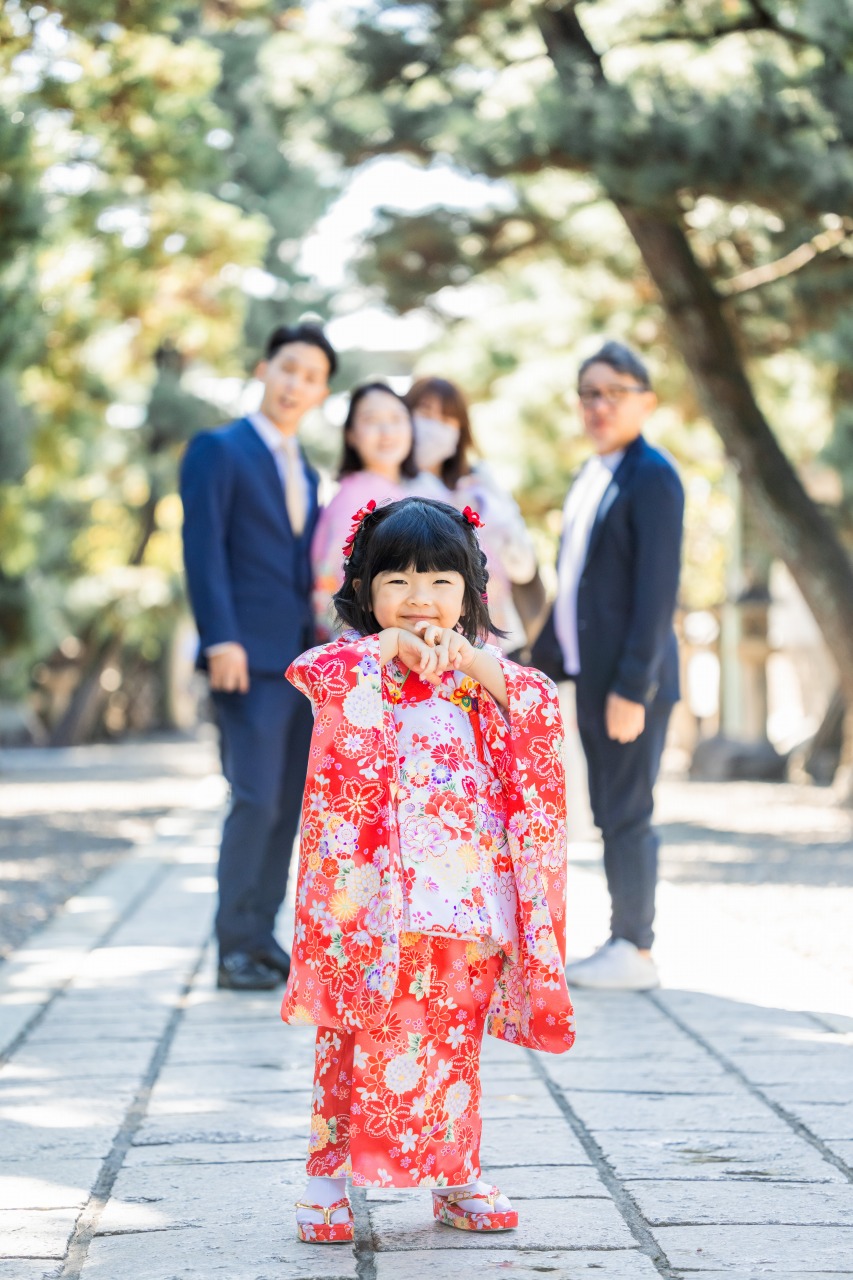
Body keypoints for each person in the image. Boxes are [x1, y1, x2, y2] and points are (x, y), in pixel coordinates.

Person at [282, 496, 574, 1243]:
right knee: (355, 1026)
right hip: (375, 898)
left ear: (472, 593)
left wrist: (470, 658)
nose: (419, 598)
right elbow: (314, 674)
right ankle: (327, 1178)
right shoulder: (353, 665)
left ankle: (455, 1173)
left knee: (452, 1031)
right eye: (398, 581)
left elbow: (537, 711)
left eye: (442, 580)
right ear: (364, 591)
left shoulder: (478, 674)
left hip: (464, 893)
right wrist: (385, 653)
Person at [180, 322, 336, 991]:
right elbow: (204, 549)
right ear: (263, 369)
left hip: (299, 662)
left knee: (285, 802)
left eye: (311, 377)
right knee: (252, 799)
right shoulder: (218, 449)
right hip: (244, 655)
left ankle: (261, 934)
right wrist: (220, 638)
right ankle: (233, 945)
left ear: (321, 392)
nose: (296, 384)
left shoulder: (304, 466)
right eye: (288, 369)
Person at [532, 341, 684, 992]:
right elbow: (573, 589)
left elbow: (656, 592)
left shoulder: (652, 476)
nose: (599, 405)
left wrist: (632, 686)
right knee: (604, 807)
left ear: (644, 401)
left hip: (629, 682)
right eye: (588, 393)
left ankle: (634, 947)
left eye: (613, 392)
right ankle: (622, 940)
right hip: (588, 676)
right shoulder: (589, 475)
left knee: (625, 810)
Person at [404, 377, 542, 658]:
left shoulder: (478, 484)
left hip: (494, 640)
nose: (434, 426)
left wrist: (490, 510)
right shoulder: (391, 489)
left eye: (447, 418)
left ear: (460, 430)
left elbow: (522, 563)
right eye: (426, 413)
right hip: (430, 644)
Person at [310, 382, 441, 639]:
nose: (387, 431)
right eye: (371, 420)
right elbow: (330, 591)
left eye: (396, 418)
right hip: (379, 655)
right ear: (351, 434)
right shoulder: (353, 499)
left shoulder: (417, 491)